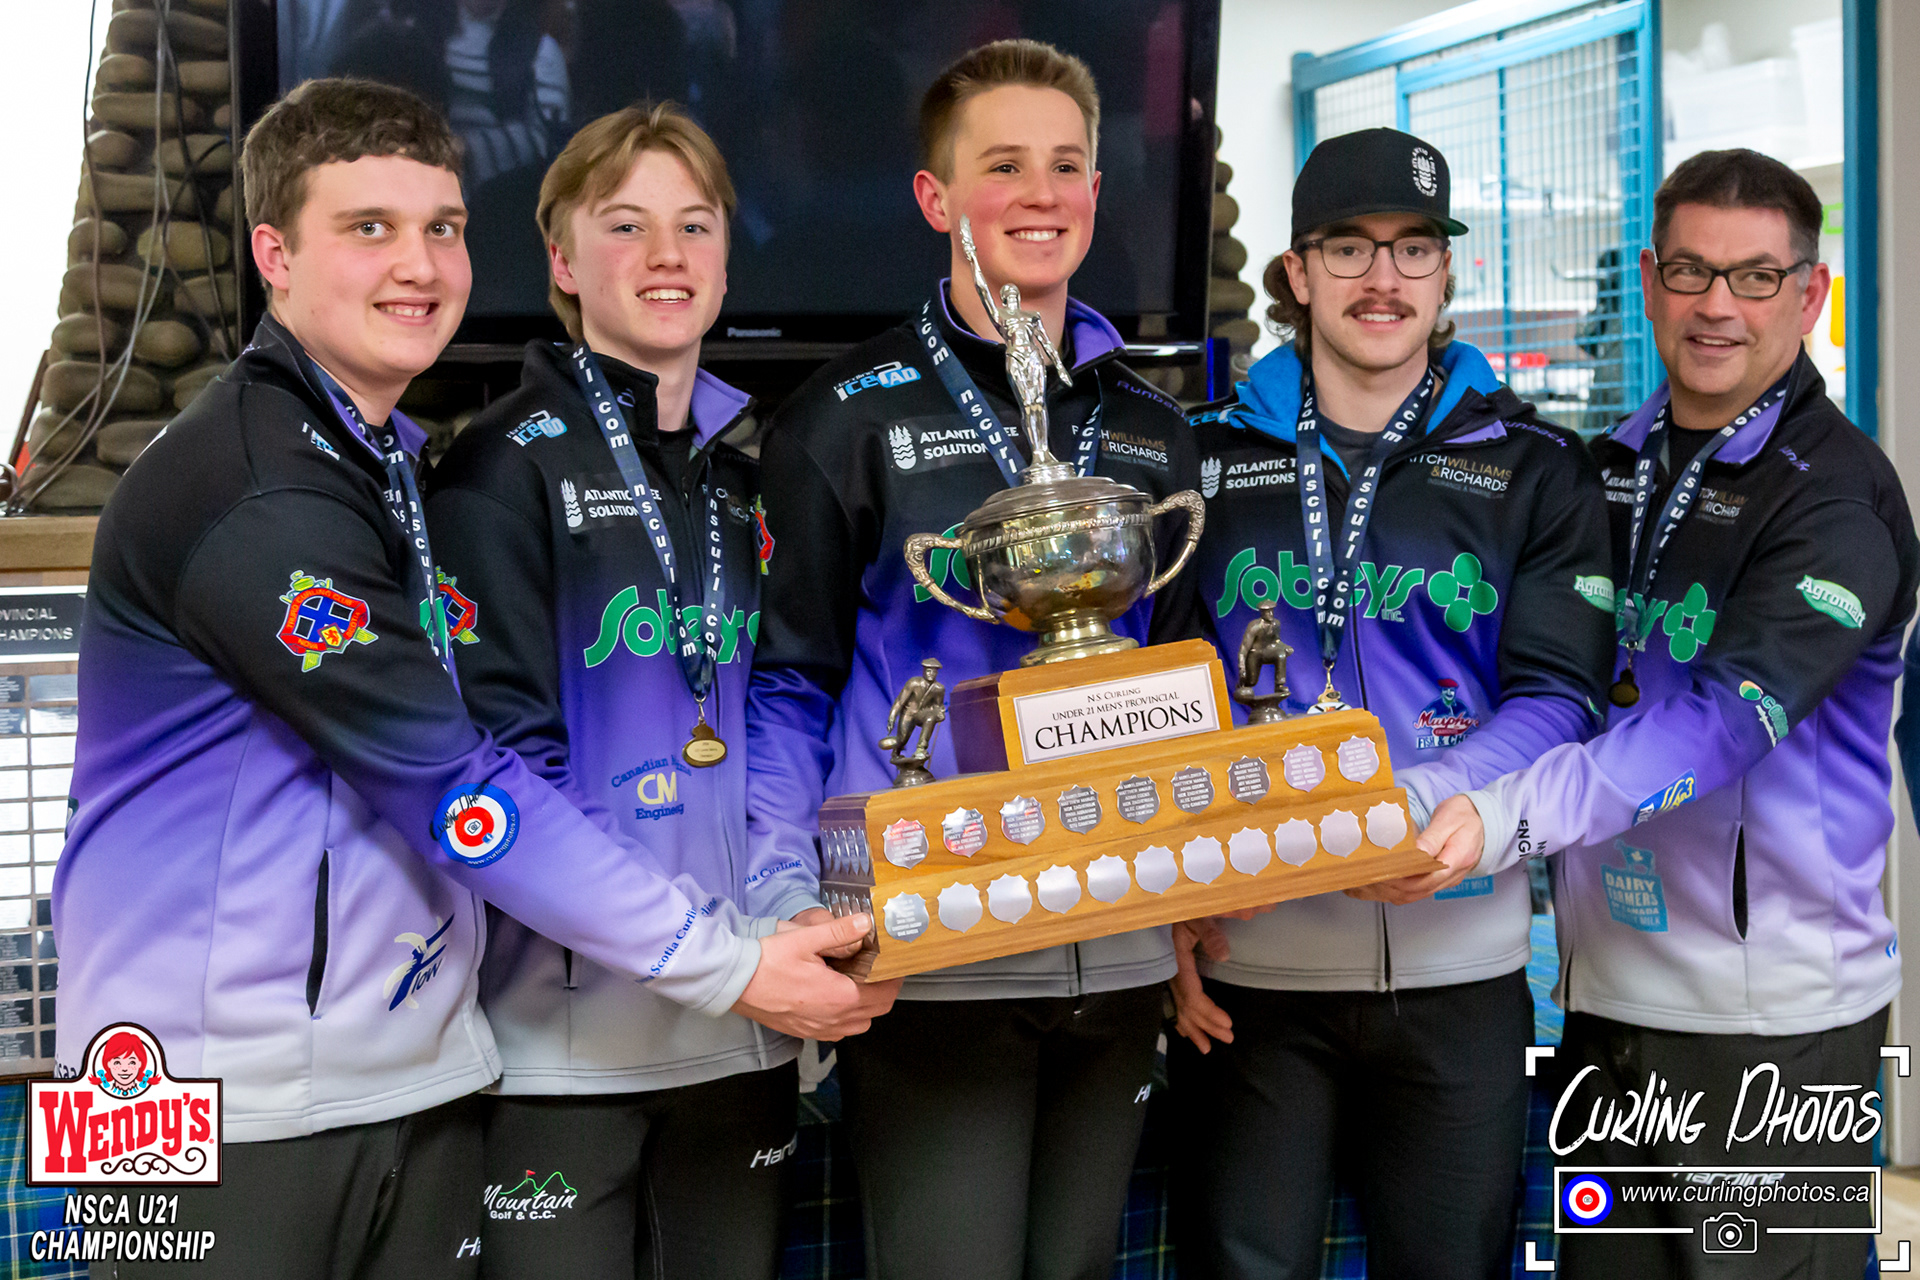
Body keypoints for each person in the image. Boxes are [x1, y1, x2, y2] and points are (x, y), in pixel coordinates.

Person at [54, 78, 880, 1279]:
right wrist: (732, 963)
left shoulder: (381, 461)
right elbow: (455, 785)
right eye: (369, 228)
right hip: (184, 1099)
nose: (421, 264)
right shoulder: (254, 484)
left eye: (441, 227)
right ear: (274, 255)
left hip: (414, 1074)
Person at [1419, 148, 1920, 1279]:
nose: (1716, 306)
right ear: (1649, 281)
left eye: (1755, 277)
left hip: (1774, 1025)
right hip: (1604, 1000)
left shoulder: (1838, 499)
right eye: (1691, 270)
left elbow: (1716, 725)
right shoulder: (1607, 468)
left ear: (1810, 293)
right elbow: (1553, 689)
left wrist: (1499, 819)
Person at [746, 40, 1200, 1280]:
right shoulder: (843, 417)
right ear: (935, 196)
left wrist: (1193, 905)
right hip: (937, 949)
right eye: (1002, 165)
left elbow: (1179, 668)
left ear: (1097, 190)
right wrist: (789, 894)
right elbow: (786, 685)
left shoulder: (1152, 427)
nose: (1039, 194)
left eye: (1066, 165)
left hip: (1120, 943)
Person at [424, 102, 888, 1279]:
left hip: (747, 1038)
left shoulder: (747, 482)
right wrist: (708, 952)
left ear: (727, 260)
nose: (667, 253)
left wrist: (784, 902)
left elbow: (780, 714)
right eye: (625, 225)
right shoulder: (496, 467)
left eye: (695, 225)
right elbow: (505, 771)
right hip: (561, 1056)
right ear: (562, 260)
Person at [1166, 127, 1615, 1280]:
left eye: (1414, 247)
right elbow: (1158, 704)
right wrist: (1161, 911)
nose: (1384, 278)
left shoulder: (1533, 465)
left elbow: (1559, 695)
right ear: (1298, 270)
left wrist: (1408, 801)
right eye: (1350, 247)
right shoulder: (1199, 461)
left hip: (1461, 970)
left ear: (1446, 270)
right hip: (1251, 970)